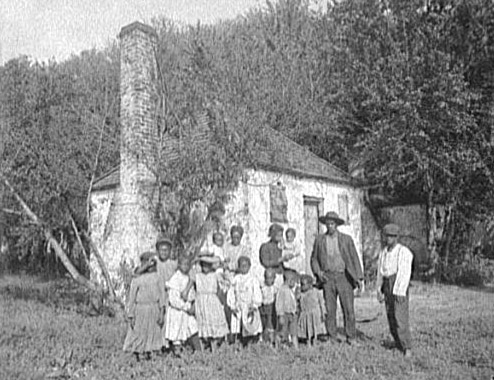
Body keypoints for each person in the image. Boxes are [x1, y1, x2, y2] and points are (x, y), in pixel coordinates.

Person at [310, 211, 363, 345]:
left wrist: (359, 277)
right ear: (325, 225)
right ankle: (332, 336)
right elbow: (314, 259)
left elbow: (354, 258)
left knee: (348, 309)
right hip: (327, 278)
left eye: (332, 224)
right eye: (328, 224)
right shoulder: (320, 240)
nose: (330, 226)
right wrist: (319, 272)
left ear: (337, 225)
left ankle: (351, 337)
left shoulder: (346, 239)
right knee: (330, 309)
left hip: (344, 277)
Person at [376, 223, 414, 358]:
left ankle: (406, 346)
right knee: (390, 314)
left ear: (397, 238)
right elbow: (380, 272)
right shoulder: (383, 253)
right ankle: (397, 342)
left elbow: (404, 272)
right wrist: (379, 289)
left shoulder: (403, 252)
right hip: (387, 284)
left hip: (398, 283)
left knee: (400, 316)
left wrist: (399, 290)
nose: (388, 240)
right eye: (387, 237)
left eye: (392, 237)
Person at [123, 251, 166, 360]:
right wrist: (131, 315)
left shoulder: (158, 277)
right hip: (141, 309)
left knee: (154, 332)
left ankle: (152, 353)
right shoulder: (137, 279)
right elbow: (132, 299)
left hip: (154, 308)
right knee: (139, 333)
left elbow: (162, 295)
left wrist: (161, 312)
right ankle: (139, 354)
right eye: (148, 263)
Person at [164, 256, 201, 353]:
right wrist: (186, 307)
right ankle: (177, 354)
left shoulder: (188, 277)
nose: (186, 266)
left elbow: (192, 294)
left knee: (193, 327)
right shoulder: (176, 278)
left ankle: (199, 351)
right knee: (177, 333)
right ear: (179, 265)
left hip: (187, 310)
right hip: (178, 311)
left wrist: (192, 304)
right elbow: (173, 300)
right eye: (183, 264)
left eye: (188, 264)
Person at [194, 255, 229, 352]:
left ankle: (215, 345)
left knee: (214, 321)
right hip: (201, 302)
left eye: (208, 265)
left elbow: (225, 283)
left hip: (212, 301)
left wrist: (224, 268)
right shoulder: (197, 276)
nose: (206, 267)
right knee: (203, 323)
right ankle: (205, 346)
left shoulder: (215, 275)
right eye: (204, 265)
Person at [227, 256, 263, 345]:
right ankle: (239, 345)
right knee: (238, 327)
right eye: (241, 266)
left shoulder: (253, 279)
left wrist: (254, 305)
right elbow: (231, 292)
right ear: (238, 267)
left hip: (249, 307)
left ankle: (252, 345)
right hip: (239, 307)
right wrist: (232, 305)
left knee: (251, 327)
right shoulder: (236, 279)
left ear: (249, 266)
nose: (243, 268)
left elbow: (257, 293)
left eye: (245, 265)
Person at [298, 274, 326, 346]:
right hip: (305, 314)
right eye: (301, 284)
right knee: (307, 328)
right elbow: (297, 301)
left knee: (314, 327)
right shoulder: (301, 294)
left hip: (315, 314)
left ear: (310, 285)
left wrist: (323, 313)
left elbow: (321, 303)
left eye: (303, 284)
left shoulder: (316, 292)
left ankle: (315, 339)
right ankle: (308, 340)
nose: (302, 287)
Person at [275, 270, 299, 349]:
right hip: (284, 314)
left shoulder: (290, 290)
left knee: (293, 331)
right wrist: (280, 315)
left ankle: (296, 348)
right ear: (289, 280)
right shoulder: (282, 290)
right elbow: (279, 304)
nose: (294, 283)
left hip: (292, 314)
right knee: (282, 331)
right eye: (293, 281)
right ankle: (277, 346)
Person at [260, 268, 279, 345]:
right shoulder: (262, 287)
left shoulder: (275, 288)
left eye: (271, 278)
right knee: (263, 323)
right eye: (267, 278)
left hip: (271, 308)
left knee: (270, 324)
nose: (268, 280)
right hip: (263, 307)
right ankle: (263, 339)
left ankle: (271, 341)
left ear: (274, 278)